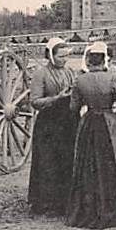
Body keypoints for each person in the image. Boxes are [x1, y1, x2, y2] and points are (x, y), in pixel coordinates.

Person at [66, 41, 116, 229]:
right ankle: (111, 208)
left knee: (88, 166)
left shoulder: (79, 80)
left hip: (89, 122)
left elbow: (73, 107)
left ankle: (88, 209)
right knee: (111, 164)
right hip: (109, 123)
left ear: (88, 61)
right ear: (104, 61)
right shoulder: (113, 78)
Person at [27, 38, 79, 216]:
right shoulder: (41, 74)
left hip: (69, 121)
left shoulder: (70, 71)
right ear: (50, 56)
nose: (64, 60)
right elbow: (35, 101)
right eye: (60, 56)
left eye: (66, 56)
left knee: (67, 159)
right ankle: (47, 203)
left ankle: (65, 201)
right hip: (49, 123)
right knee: (49, 162)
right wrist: (57, 98)